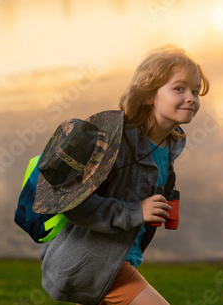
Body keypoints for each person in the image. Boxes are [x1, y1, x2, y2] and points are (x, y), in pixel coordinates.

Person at [38, 45, 210, 305]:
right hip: (90, 265)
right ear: (150, 95)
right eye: (179, 88)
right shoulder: (114, 142)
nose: (191, 98)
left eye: (196, 91)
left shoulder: (168, 147)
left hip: (117, 262)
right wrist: (136, 211)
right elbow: (72, 204)